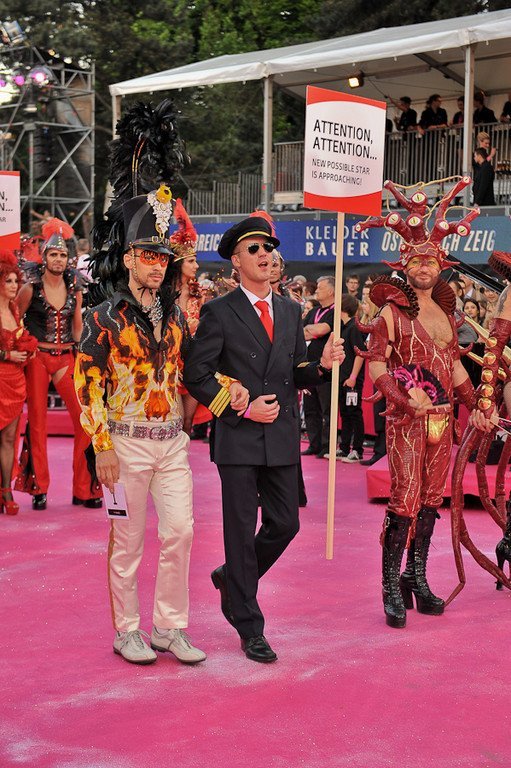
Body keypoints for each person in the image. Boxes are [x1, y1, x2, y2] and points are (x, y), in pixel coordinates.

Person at [75, 184, 229, 665]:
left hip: (171, 444)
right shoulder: (102, 317)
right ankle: (127, 631)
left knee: (180, 532)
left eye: (163, 257)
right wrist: (101, 445)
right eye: (148, 256)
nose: (158, 265)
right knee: (127, 541)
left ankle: (168, 627)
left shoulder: (177, 318)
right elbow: (87, 385)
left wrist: (231, 390)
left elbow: (193, 373)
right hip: (124, 446)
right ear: (128, 259)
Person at [183, 215, 344, 663]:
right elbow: (196, 375)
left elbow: (296, 371)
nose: (264, 254)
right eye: (253, 249)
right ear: (236, 261)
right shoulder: (219, 311)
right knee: (239, 532)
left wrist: (322, 365)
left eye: (268, 248)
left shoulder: (290, 310)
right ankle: (249, 623)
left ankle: (232, 578)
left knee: (286, 524)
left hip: (281, 436)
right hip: (238, 437)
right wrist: (239, 406)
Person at [356, 176, 478, 629]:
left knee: (431, 498)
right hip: (407, 421)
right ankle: (390, 584)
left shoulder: (447, 313)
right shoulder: (391, 312)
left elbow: (455, 366)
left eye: (430, 261)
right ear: (405, 264)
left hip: (443, 421)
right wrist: (402, 397)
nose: (424, 267)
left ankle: (416, 576)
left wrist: (477, 404)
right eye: (416, 261)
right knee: (404, 498)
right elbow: (376, 365)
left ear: (440, 265)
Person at [16, 218, 102, 511]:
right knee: (37, 422)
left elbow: (77, 329)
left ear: (68, 259)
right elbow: (16, 319)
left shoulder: (75, 288)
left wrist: (88, 357)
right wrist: (21, 348)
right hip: (38, 357)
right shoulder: (30, 288)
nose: (58, 259)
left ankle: (83, 489)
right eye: (53, 254)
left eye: (63, 255)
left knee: (84, 419)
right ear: (44, 257)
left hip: (66, 356)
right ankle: (39, 488)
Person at [0, 251, 38, 515]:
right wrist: (6, 355)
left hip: (15, 381)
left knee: (9, 438)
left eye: (16, 280)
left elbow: (19, 339)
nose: (14, 285)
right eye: (9, 281)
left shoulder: (14, 310)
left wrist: (27, 350)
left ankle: (6, 491)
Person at [301, 275, 335, 458]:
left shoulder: (335, 311)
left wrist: (311, 330)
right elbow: (302, 332)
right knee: (310, 407)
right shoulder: (314, 311)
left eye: (320, 288)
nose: (317, 291)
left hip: (326, 368)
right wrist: (312, 331)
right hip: (308, 366)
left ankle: (327, 445)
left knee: (326, 408)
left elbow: (322, 329)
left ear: (331, 291)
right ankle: (314, 444)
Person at [337, 293, 366, 463]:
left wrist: (353, 377)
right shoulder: (342, 327)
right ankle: (344, 447)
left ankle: (357, 449)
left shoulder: (354, 328)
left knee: (354, 413)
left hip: (351, 380)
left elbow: (360, 354)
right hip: (342, 379)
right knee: (345, 413)